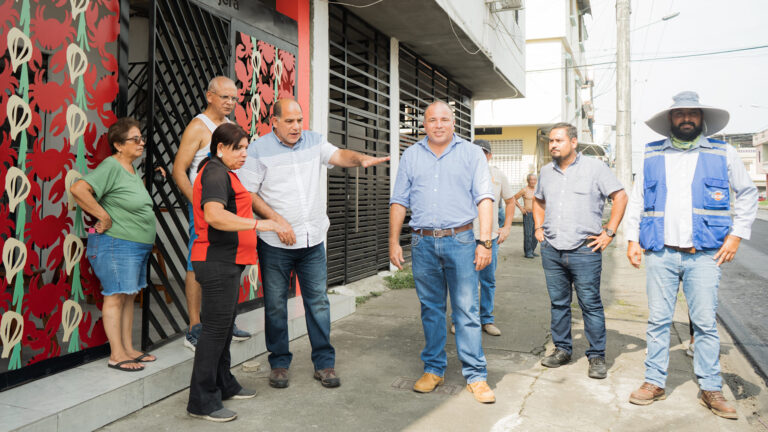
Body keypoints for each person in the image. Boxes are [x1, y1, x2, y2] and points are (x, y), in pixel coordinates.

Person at [239, 98, 389, 389]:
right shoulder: (258, 150)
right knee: (275, 307)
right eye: (290, 121)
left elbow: (339, 155)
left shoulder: (314, 141)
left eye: (300, 120)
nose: (297, 127)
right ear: (275, 122)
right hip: (274, 243)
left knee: (318, 303)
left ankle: (324, 364)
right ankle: (279, 363)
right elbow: (249, 194)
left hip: (312, 240)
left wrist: (360, 159)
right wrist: (277, 221)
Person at [625, 91, 757, 419]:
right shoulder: (653, 154)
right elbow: (637, 199)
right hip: (661, 252)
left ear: (702, 119)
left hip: (705, 255)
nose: (686, 118)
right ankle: (654, 381)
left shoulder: (722, 152)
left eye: (692, 114)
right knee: (657, 320)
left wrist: (737, 235)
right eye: (680, 113)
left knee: (705, 324)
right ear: (671, 119)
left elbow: (748, 193)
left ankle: (710, 387)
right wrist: (631, 239)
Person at [390, 101, 496, 404]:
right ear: (424, 124)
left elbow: (484, 198)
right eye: (432, 120)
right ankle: (434, 369)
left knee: (466, 310)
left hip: (461, 240)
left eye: (444, 120)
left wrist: (484, 241)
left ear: (454, 123)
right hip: (422, 243)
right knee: (431, 310)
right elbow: (399, 200)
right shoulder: (411, 155)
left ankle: (476, 376)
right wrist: (393, 241)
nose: (438, 125)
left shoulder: (472, 154)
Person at [186, 123, 279, 422]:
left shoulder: (223, 172)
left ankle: (223, 384)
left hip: (227, 261)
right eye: (237, 148)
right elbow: (214, 215)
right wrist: (257, 224)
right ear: (220, 148)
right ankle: (201, 401)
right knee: (214, 331)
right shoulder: (214, 173)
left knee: (223, 329)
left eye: (246, 148)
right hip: (215, 262)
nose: (243, 154)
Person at [534, 122, 628, 379]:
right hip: (552, 248)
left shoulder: (595, 168)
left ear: (573, 142)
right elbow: (538, 200)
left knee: (591, 304)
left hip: (585, 249)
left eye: (558, 140)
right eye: (551, 141)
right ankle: (562, 349)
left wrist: (609, 231)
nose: (553, 144)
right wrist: (538, 227)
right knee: (559, 303)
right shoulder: (546, 171)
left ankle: (597, 356)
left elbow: (620, 196)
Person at [71, 117, 158, 372]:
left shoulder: (132, 168)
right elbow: (79, 189)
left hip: (135, 244)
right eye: (135, 139)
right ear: (118, 145)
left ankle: (128, 348)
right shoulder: (111, 166)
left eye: (142, 138)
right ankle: (117, 354)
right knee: (115, 297)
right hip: (116, 244)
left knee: (129, 297)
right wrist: (104, 216)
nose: (141, 143)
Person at [172, 76, 250, 351]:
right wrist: (197, 204)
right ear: (209, 96)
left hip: (227, 209)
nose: (230, 102)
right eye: (224, 97)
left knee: (228, 262)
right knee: (197, 264)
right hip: (206, 209)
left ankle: (226, 320)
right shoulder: (198, 126)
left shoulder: (230, 127)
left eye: (233, 98)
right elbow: (178, 170)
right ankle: (194, 327)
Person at [450, 139, 515, 337]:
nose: (479, 155)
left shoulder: (497, 175)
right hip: (464, 237)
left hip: (490, 238)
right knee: (462, 281)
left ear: (489, 155)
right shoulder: (459, 174)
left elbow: (510, 201)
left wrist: (506, 227)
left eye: (483, 152)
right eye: (475, 151)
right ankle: (460, 320)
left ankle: (486, 319)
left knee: (488, 280)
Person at [514, 173, 539, 258]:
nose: (533, 181)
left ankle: (532, 250)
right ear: (528, 180)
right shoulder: (524, 190)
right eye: (531, 179)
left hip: (537, 214)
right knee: (528, 233)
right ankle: (528, 252)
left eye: (534, 180)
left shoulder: (538, 190)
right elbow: (514, 198)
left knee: (536, 234)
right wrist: (521, 209)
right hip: (528, 214)